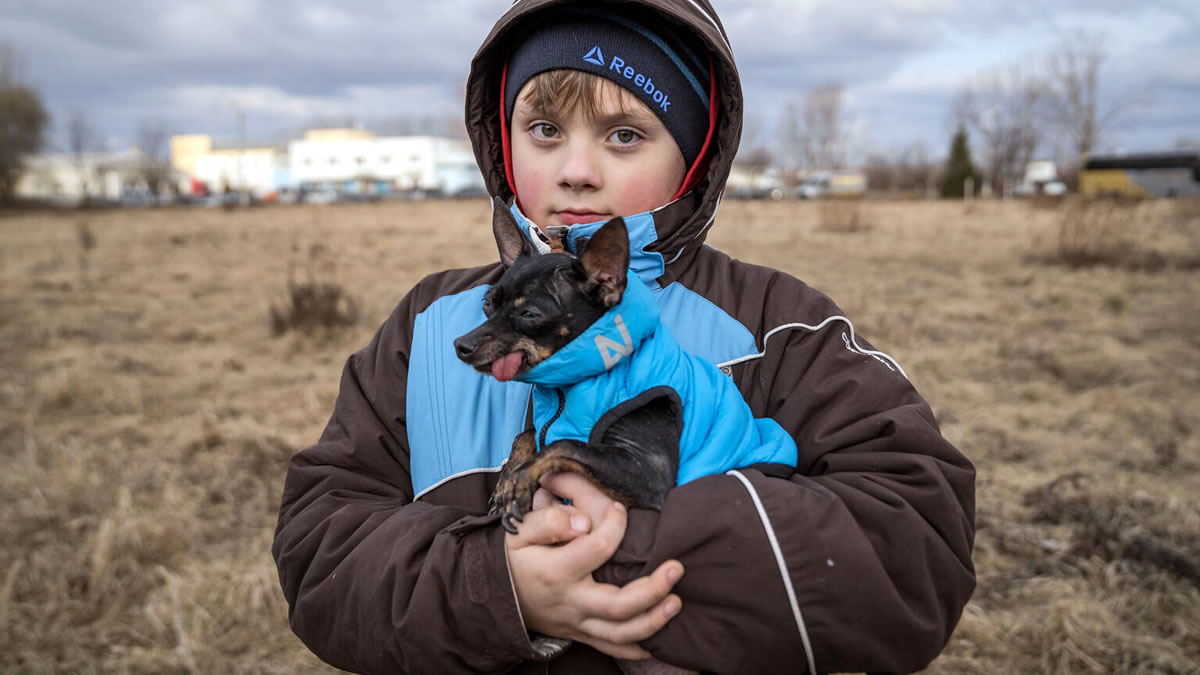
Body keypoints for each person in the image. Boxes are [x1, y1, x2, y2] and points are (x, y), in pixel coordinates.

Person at [272, 1, 976, 673]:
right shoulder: (429, 327)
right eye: (545, 129)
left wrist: (620, 549)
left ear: (693, 158)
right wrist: (496, 585)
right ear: (504, 142)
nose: (577, 169)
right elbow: (319, 551)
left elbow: (918, 548)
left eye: (625, 134)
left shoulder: (778, 324)